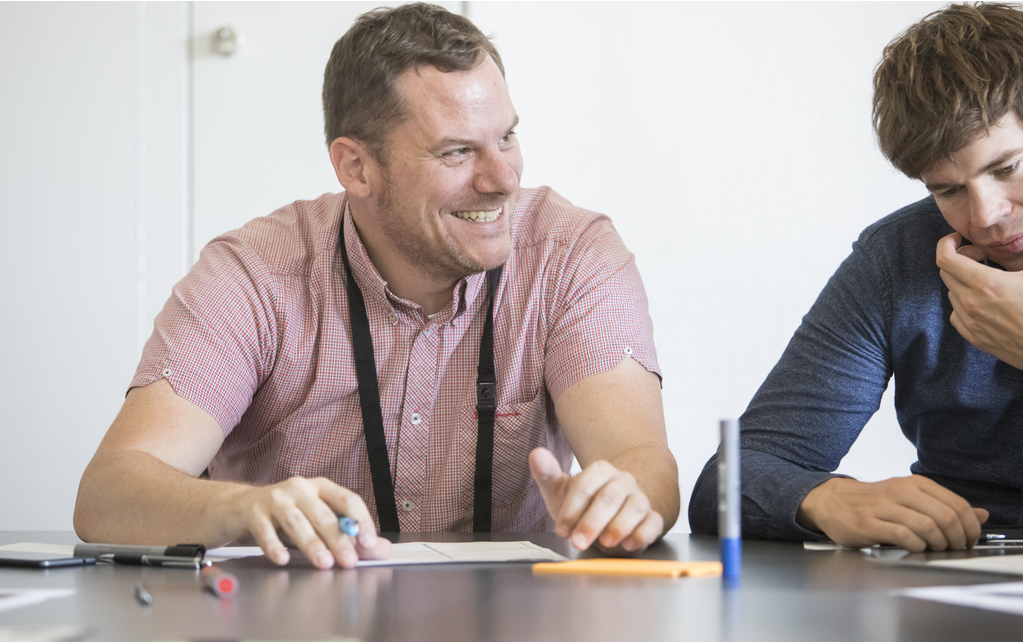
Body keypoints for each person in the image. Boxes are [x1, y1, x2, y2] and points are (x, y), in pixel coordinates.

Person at [74, 3, 679, 569]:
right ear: (356, 167)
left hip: (516, 619)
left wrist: (622, 500)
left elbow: (643, 464)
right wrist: (241, 508)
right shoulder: (254, 274)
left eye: (506, 137)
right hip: (298, 621)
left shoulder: (572, 255)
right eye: (457, 152)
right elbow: (108, 494)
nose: (503, 179)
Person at [690, 2, 1023, 552]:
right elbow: (725, 483)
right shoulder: (896, 258)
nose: (985, 216)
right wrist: (827, 499)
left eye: (1006, 168)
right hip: (953, 584)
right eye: (948, 190)